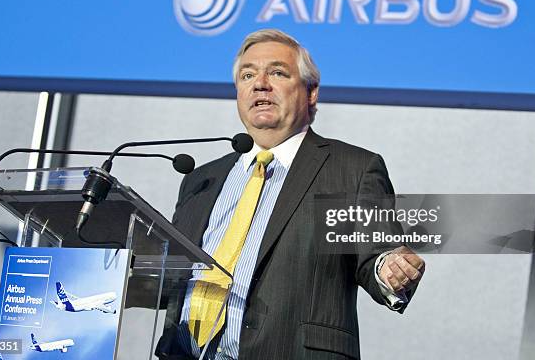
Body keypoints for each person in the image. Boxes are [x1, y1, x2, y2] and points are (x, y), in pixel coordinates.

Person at [157, 29, 424, 360]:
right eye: (247, 74)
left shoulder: (350, 170)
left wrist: (390, 269)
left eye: (277, 72)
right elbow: (167, 274)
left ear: (311, 92)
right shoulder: (202, 179)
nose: (260, 83)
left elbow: (377, 251)